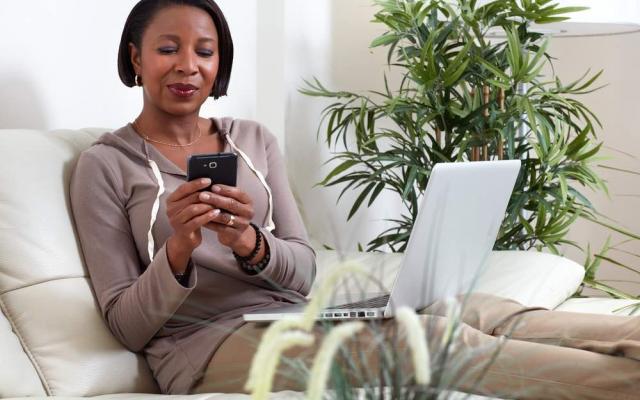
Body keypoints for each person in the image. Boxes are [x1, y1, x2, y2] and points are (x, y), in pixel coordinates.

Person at [69, 0, 640, 398]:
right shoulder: (105, 165)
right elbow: (125, 324)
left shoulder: (254, 141)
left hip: (291, 312)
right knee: (430, 340)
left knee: (470, 308)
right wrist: (180, 249)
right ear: (136, 57)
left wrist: (249, 242)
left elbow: (303, 271)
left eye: (205, 50)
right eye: (168, 48)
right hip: (203, 347)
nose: (188, 65)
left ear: (220, 64)